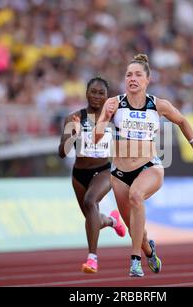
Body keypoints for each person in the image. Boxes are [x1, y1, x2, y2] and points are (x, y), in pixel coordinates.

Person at [93, 54, 193, 277]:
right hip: (119, 174)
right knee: (136, 232)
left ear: (147, 80)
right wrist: (105, 117)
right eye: (128, 75)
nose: (132, 78)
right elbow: (97, 137)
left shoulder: (159, 105)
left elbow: (183, 121)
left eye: (137, 75)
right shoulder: (114, 104)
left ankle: (134, 261)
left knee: (137, 195)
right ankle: (147, 250)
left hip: (150, 167)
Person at [58, 77, 126, 273]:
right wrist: (74, 134)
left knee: (90, 201)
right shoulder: (73, 118)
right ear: (86, 93)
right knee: (92, 218)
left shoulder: (114, 119)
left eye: (101, 93)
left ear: (107, 96)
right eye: (93, 92)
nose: (96, 96)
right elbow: (62, 153)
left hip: (104, 170)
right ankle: (112, 221)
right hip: (79, 174)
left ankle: (92, 259)